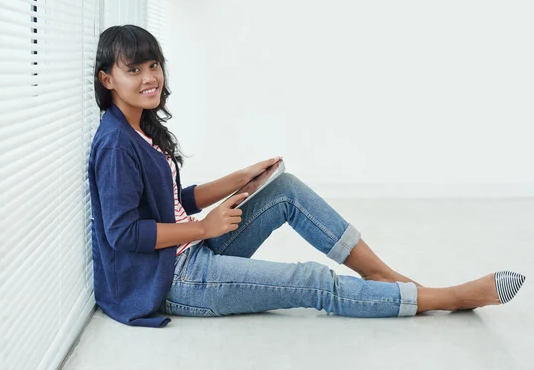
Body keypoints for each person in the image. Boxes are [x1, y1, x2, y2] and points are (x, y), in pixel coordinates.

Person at [87, 24, 526, 328]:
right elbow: (123, 232)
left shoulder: (140, 128)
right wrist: (204, 227)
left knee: (286, 192)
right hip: (170, 281)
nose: (150, 78)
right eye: (135, 70)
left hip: (186, 251)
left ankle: (385, 277)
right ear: (108, 79)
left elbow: (172, 199)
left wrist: (240, 178)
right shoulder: (115, 145)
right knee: (310, 281)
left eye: (153, 66)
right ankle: (445, 298)